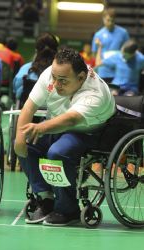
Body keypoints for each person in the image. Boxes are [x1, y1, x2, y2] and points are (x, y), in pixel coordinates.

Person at [14, 47, 115, 226]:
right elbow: (29, 106)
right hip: (55, 124)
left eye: (62, 80)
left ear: (81, 77)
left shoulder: (95, 94)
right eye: (54, 77)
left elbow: (71, 120)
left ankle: (68, 210)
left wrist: (41, 127)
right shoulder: (53, 72)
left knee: (57, 153)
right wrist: (20, 138)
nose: (56, 83)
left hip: (86, 131)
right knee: (27, 144)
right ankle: (45, 199)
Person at [13, 32, 59, 100]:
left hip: (26, 109)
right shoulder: (64, 73)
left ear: (36, 50)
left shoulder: (24, 70)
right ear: (56, 51)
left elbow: (17, 94)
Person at [92, 7, 129, 83]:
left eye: (112, 21)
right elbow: (94, 54)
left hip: (119, 72)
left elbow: (128, 50)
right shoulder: (98, 35)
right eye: (108, 20)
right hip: (103, 72)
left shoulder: (123, 33)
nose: (110, 23)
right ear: (103, 19)